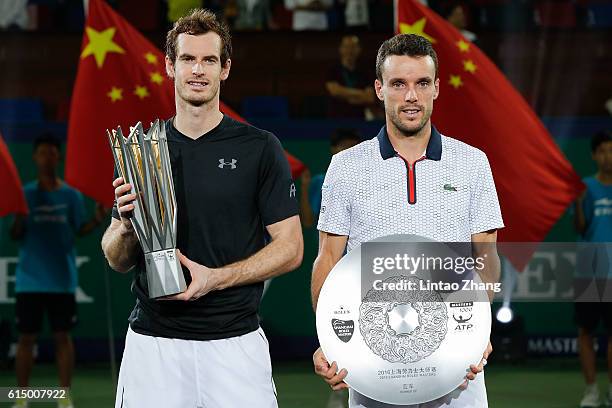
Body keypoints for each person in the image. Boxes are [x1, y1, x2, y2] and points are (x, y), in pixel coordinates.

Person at [100, 9, 303, 408]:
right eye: (188, 59)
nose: (198, 70)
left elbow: (291, 248)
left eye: (209, 60)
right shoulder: (143, 151)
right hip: (153, 345)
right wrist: (125, 227)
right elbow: (117, 259)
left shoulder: (260, 147)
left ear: (225, 69)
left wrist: (217, 278)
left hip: (234, 344)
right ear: (169, 67)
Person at [311, 34, 504, 407]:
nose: (411, 96)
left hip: (457, 365)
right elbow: (329, 260)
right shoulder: (346, 166)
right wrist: (328, 339)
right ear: (379, 89)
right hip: (373, 360)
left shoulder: (472, 163)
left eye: (421, 84)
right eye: (399, 84)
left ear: (436, 89)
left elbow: (486, 256)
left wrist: (478, 329)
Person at [10, 135, 107, 408]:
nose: (47, 158)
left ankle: (64, 396)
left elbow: (80, 230)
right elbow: (15, 234)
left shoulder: (72, 196)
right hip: (29, 282)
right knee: (26, 339)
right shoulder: (24, 194)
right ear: (34, 158)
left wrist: (97, 219)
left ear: (58, 157)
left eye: (52, 153)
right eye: (42, 153)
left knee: (63, 337)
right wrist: (19, 217)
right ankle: (21, 397)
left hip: (62, 281)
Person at [574, 130, 612, 408]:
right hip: (589, 272)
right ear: (594, 155)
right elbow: (580, 228)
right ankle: (591, 391)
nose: (608, 157)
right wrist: (577, 203)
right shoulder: (585, 187)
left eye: (611, 150)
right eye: (602, 151)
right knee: (586, 331)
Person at [301, 128, 362, 228]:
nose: (349, 152)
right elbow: (308, 221)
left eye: (353, 147)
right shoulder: (320, 181)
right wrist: (304, 188)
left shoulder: (368, 181)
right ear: (333, 149)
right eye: (344, 146)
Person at [326, 35, 376, 119]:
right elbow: (334, 91)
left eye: (353, 47)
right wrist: (360, 94)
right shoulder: (333, 70)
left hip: (359, 118)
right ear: (341, 49)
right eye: (346, 47)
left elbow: (369, 97)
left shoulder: (365, 71)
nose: (349, 50)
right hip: (336, 118)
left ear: (359, 49)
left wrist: (345, 94)